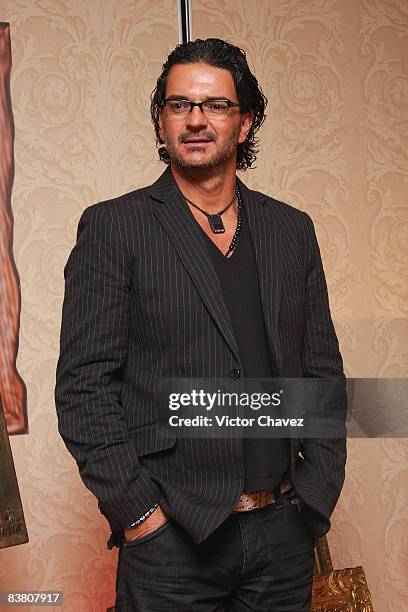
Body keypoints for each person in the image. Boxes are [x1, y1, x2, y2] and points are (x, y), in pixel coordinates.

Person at [55, 38, 347, 611]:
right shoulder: (115, 228)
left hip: (284, 533)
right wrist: (140, 516)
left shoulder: (293, 231)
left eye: (215, 105)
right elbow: (84, 389)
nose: (195, 119)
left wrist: (317, 493)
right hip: (173, 544)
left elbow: (322, 371)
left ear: (245, 123)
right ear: (160, 122)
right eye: (178, 104)